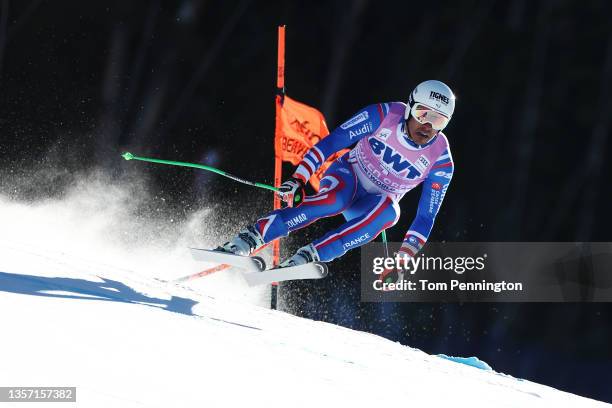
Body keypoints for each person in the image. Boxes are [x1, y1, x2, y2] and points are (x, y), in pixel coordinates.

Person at [217, 80, 455, 269]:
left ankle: (312, 255)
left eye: (438, 120)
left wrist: (403, 260)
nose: (428, 126)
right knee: (336, 200)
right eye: (423, 114)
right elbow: (332, 142)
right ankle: (251, 237)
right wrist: (299, 178)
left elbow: (425, 217)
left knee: (391, 212)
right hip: (347, 175)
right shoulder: (385, 115)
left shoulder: (441, 161)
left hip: (372, 204)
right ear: (410, 107)